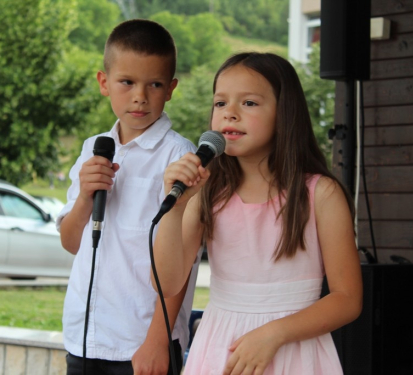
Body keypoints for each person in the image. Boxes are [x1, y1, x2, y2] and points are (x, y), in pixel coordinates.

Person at [151, 52, 363, 375]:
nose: (230, 114)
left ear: (284, 112)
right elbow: (165, 283)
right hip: (221, 350)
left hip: (295, 352)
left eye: (248, 103)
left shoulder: (321, 194)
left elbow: (348, 298)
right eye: (220, 103)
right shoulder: (207, 191)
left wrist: (273, 334)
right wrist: (174, 209)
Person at [56, 19, 200, 375]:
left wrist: (157, 341)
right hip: (84, 335)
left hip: (143, 343)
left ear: (171, 88)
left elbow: (185, 259)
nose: (140, 96)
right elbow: (71, 241)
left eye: (154, 84)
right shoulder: (93, 149)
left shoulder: (180, 156)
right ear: (104, 83)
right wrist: (85, 199)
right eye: (127, 82)